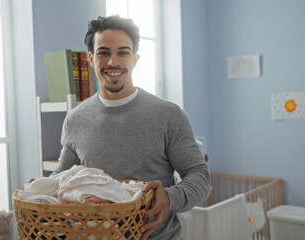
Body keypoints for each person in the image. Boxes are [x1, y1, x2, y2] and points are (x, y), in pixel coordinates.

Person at [53, 15, 211, 240]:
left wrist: (169, 196)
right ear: (91, 58)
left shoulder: (168, 114)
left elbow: (199, 177)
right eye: (104, 52)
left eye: (123, 52)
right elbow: (63, 178)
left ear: (135, 59)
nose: (113, 62)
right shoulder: (75, 119)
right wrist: (42, 188)